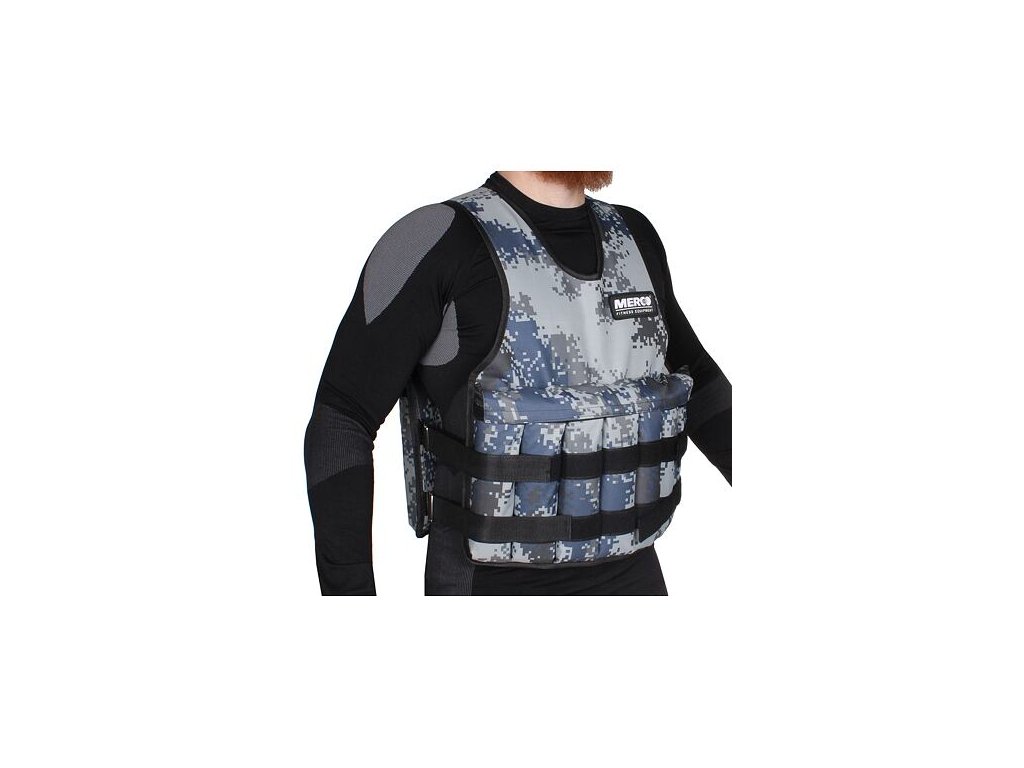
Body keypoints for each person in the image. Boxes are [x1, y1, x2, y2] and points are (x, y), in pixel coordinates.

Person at [303, 171, 732, 596]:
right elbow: (341, 421)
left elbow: (701, 382)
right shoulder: (433, 239)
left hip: (635, 578)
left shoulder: (635, 236)